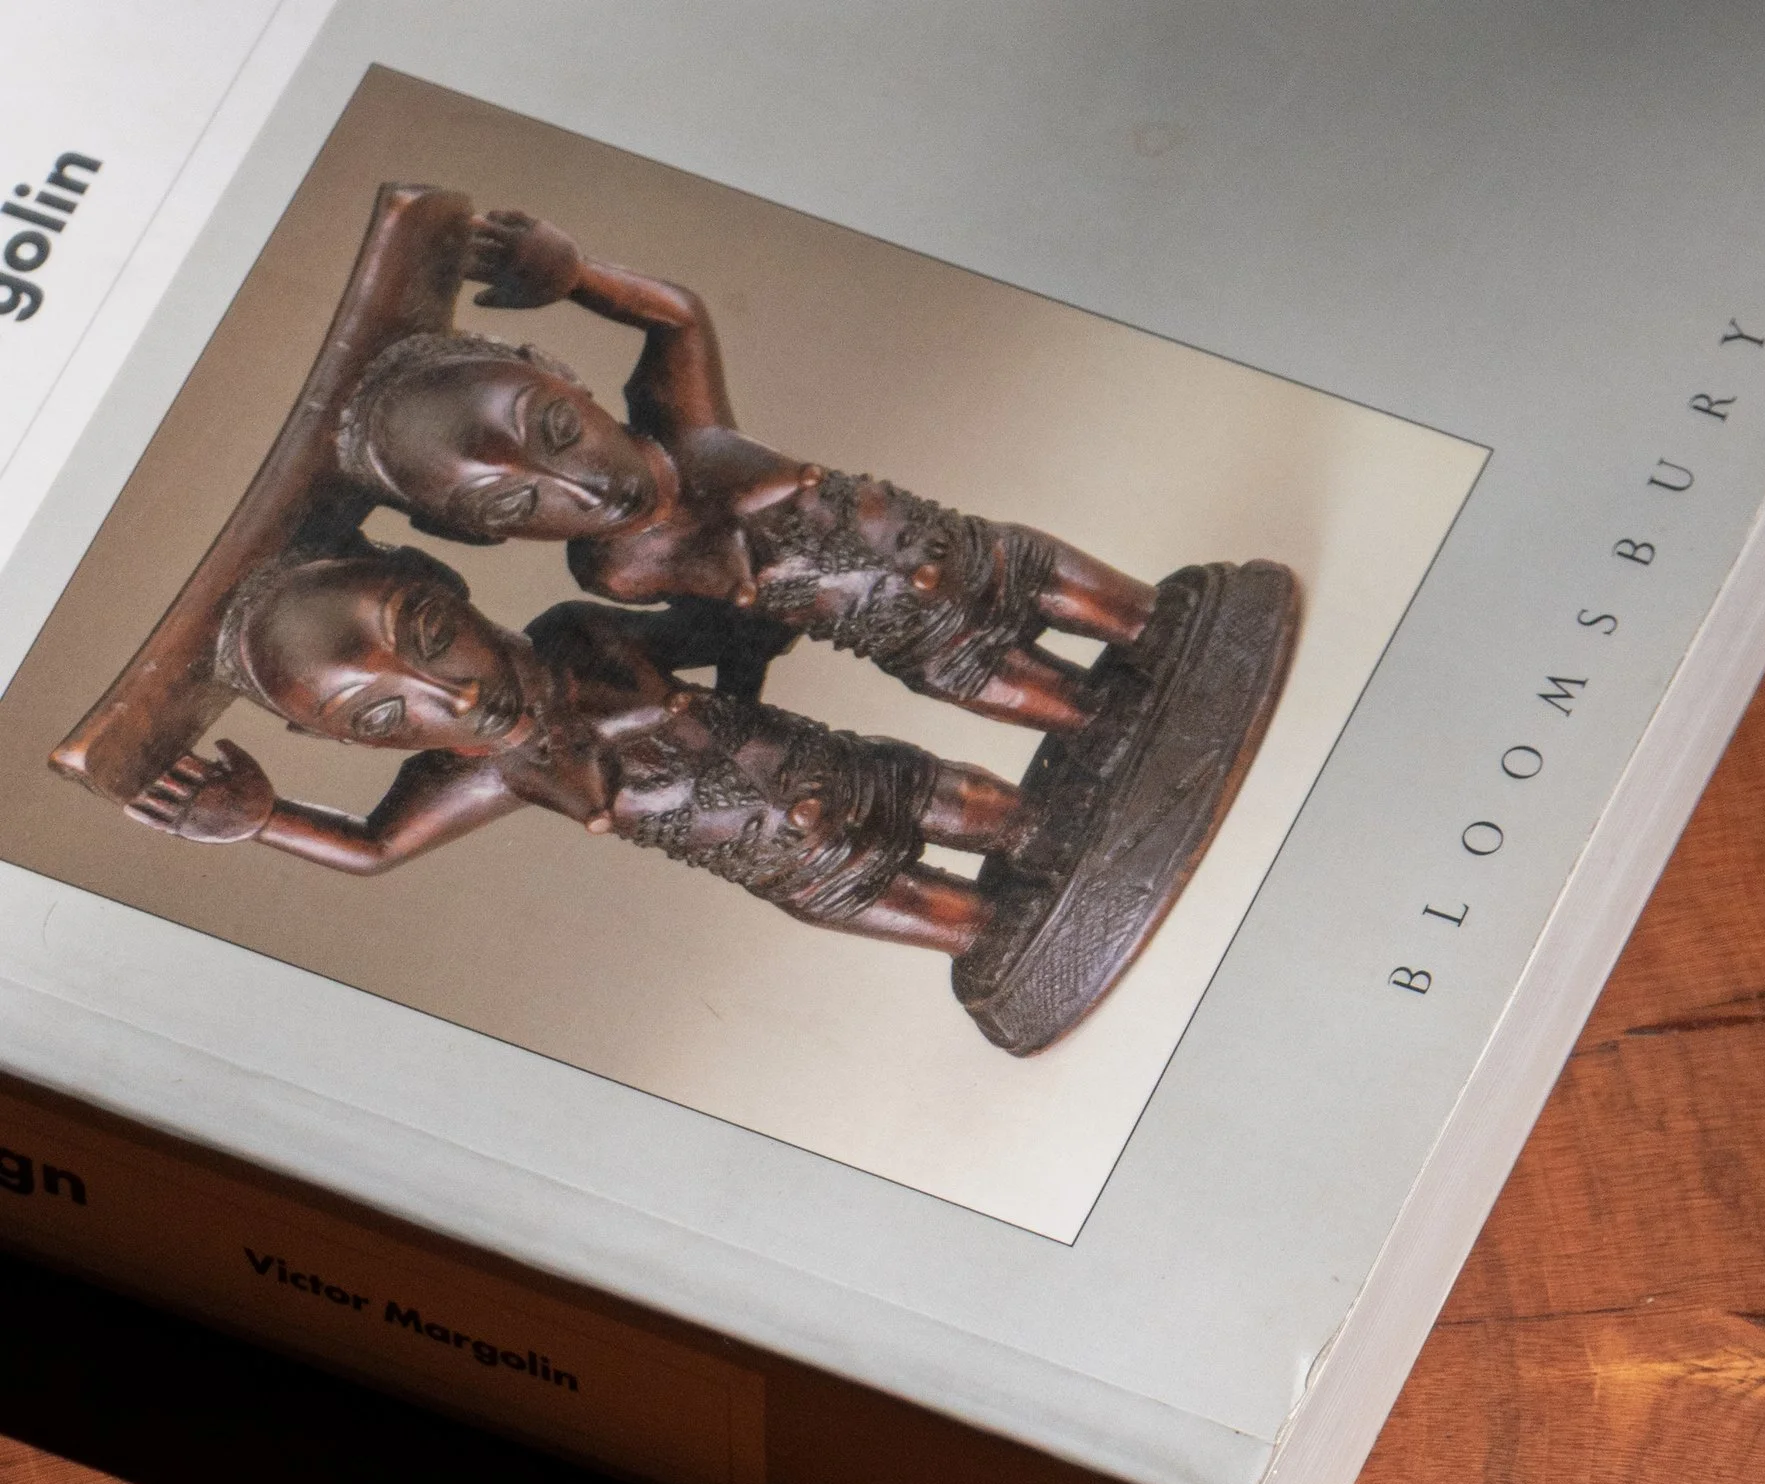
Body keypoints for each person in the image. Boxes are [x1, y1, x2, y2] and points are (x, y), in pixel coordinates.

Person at [326, 205, 1160, 734]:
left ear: (564, 380)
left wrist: (575, 276)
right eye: (516, 501)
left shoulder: (684, 432)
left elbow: (678, 319)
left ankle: (1160, 639)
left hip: (984, 557)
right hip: (918, 642)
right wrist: (741, 678)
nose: (583, 487)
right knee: (1083, 724)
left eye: (557, 428)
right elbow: (732, 616)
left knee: (1142, 621)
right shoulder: (614, 569)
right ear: (479, 535)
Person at [127, 542, 1034, 968]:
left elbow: (709, 627)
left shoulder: (575, 636)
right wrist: (261, 821)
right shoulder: (475, 772)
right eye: (378, 716)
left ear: (447, 583)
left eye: (435, 638)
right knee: (983, 936)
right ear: (330, 739)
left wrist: (752, 622)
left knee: (1015, 819)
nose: (460, 697)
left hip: (855, 771)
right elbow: (375, 848)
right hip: (805, 871)